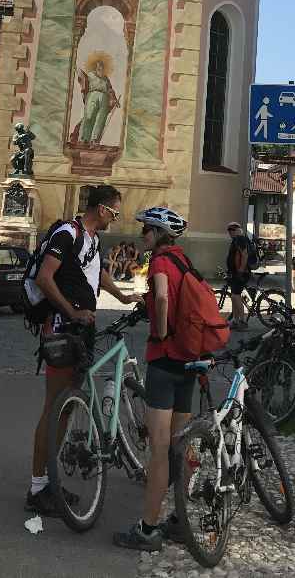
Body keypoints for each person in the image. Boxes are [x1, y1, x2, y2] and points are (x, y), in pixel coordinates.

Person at [26, 184, 135, 517]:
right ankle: (37, 487)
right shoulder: (66, 233)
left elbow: (96, 272)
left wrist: (122, 297)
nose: (115, 219)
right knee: (55, 408)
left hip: (81, 329)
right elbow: (45, 277)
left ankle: (48, 481)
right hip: (62, 328)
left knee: (68, 406)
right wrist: (71, 312)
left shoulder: (93, 239)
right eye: (115, 212)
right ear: (102, 209)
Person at [114, 205, 193, 553]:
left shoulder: (161, 262)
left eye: (145, 230)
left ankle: (147, 530)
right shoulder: (183, 260)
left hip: (164, 362)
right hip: (189, 363)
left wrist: (160, 333)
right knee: (181, 446)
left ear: (158, 234)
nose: (141, 235)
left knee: (159, 451)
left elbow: (161, 296)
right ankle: (180, 520)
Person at [225, 221, 253, 330]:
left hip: (240, 273)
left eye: (231, 230)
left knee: (236, 296)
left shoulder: (240, 239)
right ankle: (235, 321)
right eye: (228, 230)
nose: (229, 232)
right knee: (234, 296)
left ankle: (242, 321)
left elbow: (244, 255)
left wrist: (240, 271)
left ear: (237, 230)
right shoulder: (237, 239)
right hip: (236, 273)